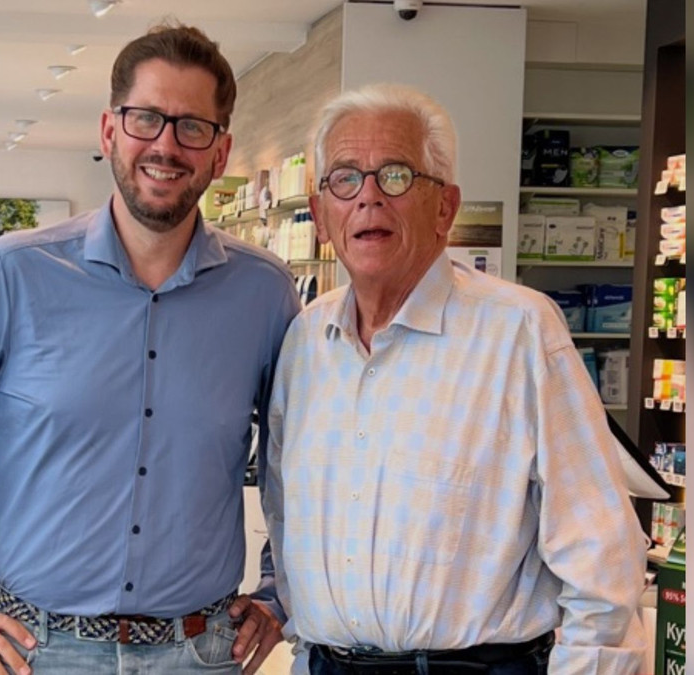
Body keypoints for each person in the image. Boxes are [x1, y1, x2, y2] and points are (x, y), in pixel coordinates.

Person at [0, 23, 298, 675]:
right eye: (146, 118)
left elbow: (303, 457)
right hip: (38, 651)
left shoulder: (262, 293)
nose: (166, 145)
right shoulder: (13, 273)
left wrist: (279, 590)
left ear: (220, 150)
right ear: (109, 131)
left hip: (201, 652)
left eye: (191, 127)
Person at [262, 84, 647, 675]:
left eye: (395, 176)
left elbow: (601, 554)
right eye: (345, 178)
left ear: (445, 207)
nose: (368, 197)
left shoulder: (518, 330)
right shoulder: (306, 342)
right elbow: (284, 514)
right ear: (320, 215)